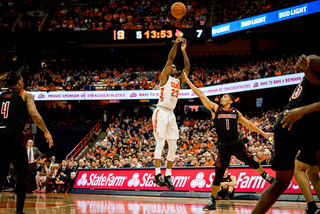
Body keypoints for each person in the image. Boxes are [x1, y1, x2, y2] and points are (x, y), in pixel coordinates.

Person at [184, 73, 274, 211]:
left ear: (230, 101)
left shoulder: (236, 112)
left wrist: (264, 133)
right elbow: (201, 95)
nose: (222, 98)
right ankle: (212, 201)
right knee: (218, 175)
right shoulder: (215, 108)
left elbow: (249, 124)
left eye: (225, 97)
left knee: (252, 161)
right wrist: (190, 84)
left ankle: (265, 175)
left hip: (237, 144)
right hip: (223, 147)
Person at [252, 54, 320, 214]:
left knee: (281, 183)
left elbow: (312, 70)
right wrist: (303, 110)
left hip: (285, 122)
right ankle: (312, 206)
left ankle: (311, 207)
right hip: (303, 122)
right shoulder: (315, 65)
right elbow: (312, 63)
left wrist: (306, 63)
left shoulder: (313, 75)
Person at [0, 71, 53, 214]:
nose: (23, 82)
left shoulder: (0, 95)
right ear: (18, 81)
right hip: (13, 134)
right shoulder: (25, 94)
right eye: (22, 79)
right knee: (21, 174)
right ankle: (18, 212)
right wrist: (46, 131)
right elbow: (34, 114)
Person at [152, 37, 190, 191]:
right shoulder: (164, 78)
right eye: (171, 67)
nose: (173, 68)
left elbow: (187, 69)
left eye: (175, 67)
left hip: (171, 113)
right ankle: (156, 174)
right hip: (161, 111)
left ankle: (168, 175)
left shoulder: (178, 81)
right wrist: (175, 44)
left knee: (173, 145)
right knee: (160, 143)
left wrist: (184, 51)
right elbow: (169, 59)